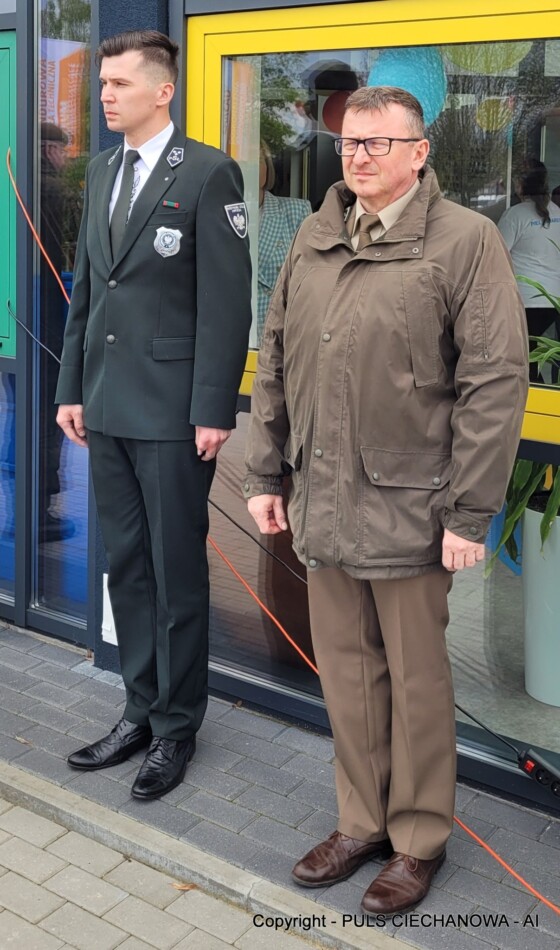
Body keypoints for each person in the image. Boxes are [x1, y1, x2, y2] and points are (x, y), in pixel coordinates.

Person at [244, 86, 528, 915]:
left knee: (417, 683)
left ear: (419, 151)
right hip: (323, 501)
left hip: (414, 509)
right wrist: (264, 476)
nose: (359, 156)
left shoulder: (464, 241)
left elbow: (493, 383)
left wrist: (469, 514)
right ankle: (360, 822)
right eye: (349, 143)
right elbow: (275, 358)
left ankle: (418, 840)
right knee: (346, 674)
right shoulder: (315, 235)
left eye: (378, 143)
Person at [56, 30, 252, 800]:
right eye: (102, 84)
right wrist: (71, 389)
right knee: (127, 567)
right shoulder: (103, 170)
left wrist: (213, 408)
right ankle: (138, 709)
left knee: (176, 574)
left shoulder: (206, 172)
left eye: (120, 84)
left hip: (174, 414)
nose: (105, 95)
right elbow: (88, 290)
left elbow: (226, 305)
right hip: (106, 405)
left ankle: (176, 727)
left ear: (163, 91)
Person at [498, 163, 560, 382]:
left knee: (524, 359)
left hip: (525, 300)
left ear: (520, 184)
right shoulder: (557, 212)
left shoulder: (515, 215)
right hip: (554, 300)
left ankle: (533, 397)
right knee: (540, 357)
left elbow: (496, 255)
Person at [257, 141, 311, 344]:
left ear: (268, 167)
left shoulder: (297, 212)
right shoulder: (215, 214)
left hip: (281, 340)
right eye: (241, 159)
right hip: (234, 340)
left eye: (258, 159)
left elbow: (309, 281)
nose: (250, 165)